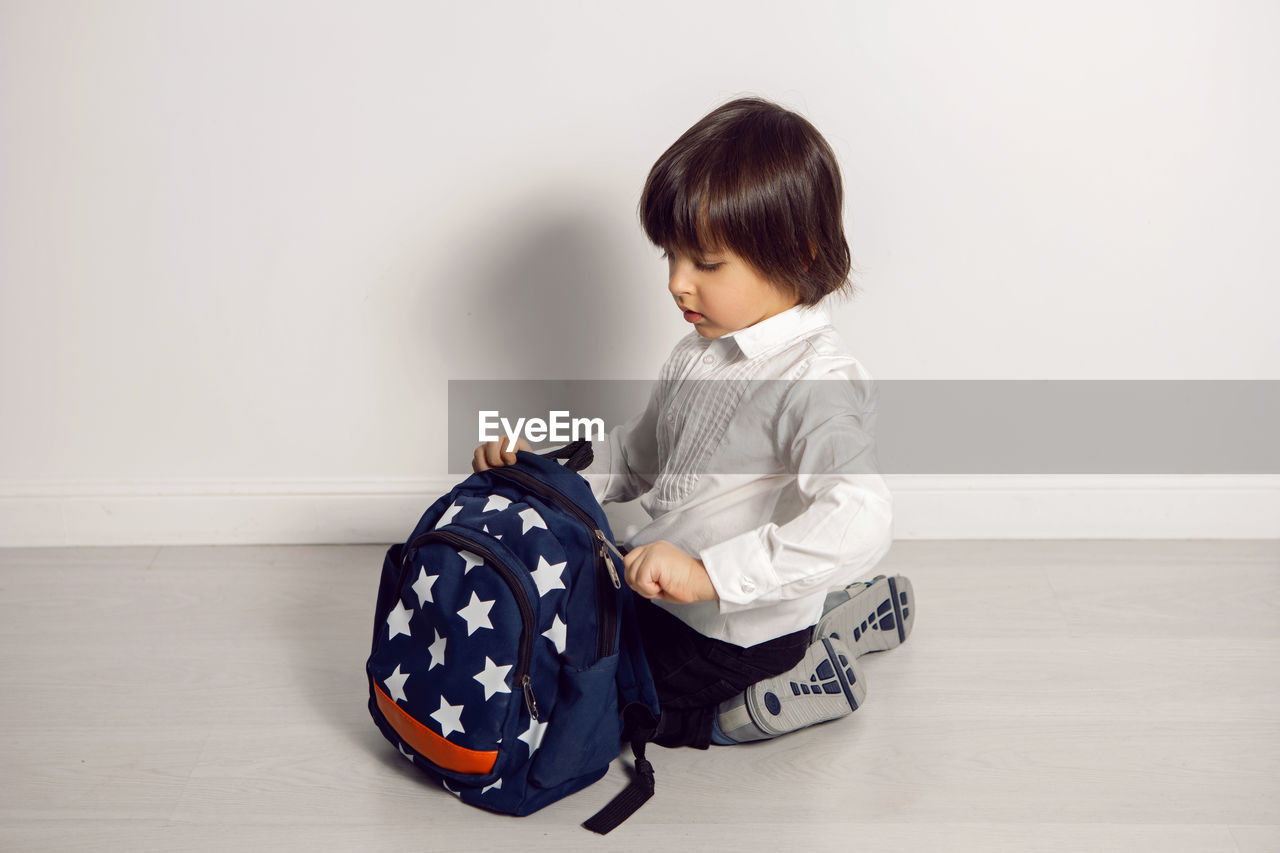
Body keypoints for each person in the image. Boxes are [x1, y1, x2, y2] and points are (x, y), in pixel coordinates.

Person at [474, 96, 913, 749]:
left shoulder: (815, 383)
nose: (679, 284)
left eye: (706, 264)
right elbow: (638, 454)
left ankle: (778, 686)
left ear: (798, 251)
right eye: (670, 258)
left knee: (611, 705)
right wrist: (542, 470)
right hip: (667, 598)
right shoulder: (702, 350)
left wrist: (709, 576)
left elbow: (862, 513)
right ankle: (833, 614)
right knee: (569, 633)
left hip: (731, 636)